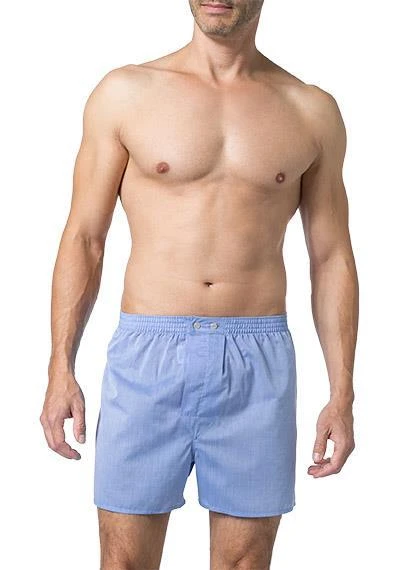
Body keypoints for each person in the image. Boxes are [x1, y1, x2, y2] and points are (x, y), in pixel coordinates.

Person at [39, 1, 359, 568]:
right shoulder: (126, 93)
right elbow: (85, 237)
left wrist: (342, 392)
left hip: (257, 359)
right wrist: (60, 367)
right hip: (147, 353)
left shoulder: (310, 109)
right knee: (123, 562)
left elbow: (331, 256)